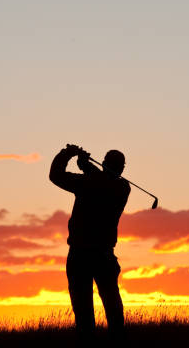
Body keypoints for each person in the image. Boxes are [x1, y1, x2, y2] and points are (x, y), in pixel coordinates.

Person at [49, 144, 131, 341]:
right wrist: (86, 166)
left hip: (81, 254)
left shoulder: (89, 183)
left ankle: (89, 341)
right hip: (104, 254)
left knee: (83, 304)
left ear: (104, 164)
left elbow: (56, 175)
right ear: (121, 169)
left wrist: (67, 154)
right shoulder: (122, 188)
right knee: (111, 301)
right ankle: (117, 341)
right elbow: (102, 181)